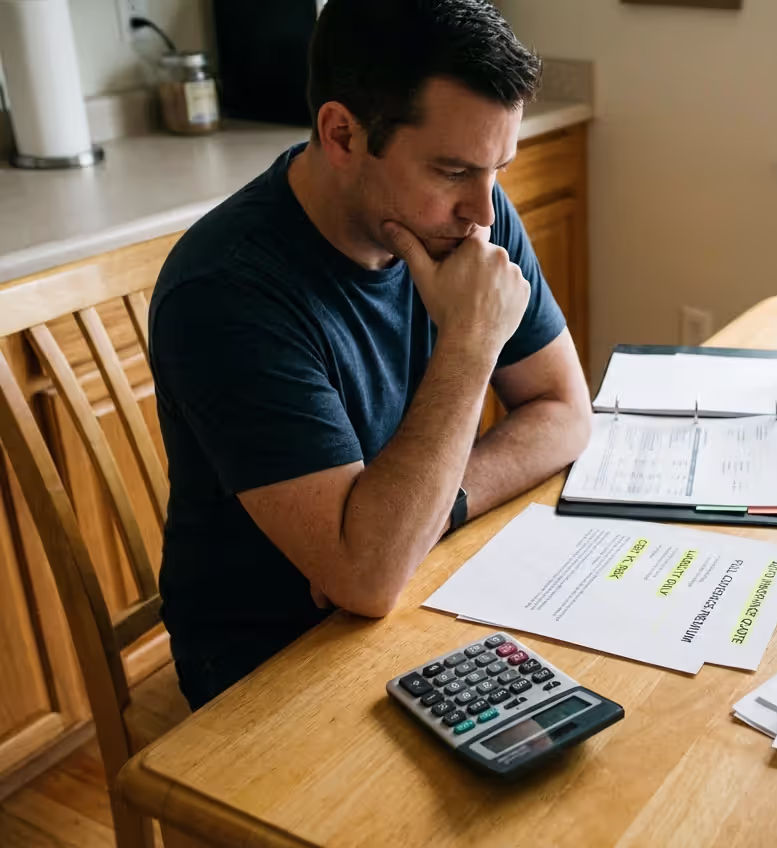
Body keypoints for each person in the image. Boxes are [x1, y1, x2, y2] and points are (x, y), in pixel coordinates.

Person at [149, 0, 591, 710]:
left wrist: (418, 522)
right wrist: (471, 345)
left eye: (498, 167)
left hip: (427, 576)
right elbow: (366, 581)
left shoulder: (471, 215)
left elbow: (566, 411)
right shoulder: (225, 292)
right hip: (272, 661)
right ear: (343, 134)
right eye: (450, 171)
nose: (484, 209)